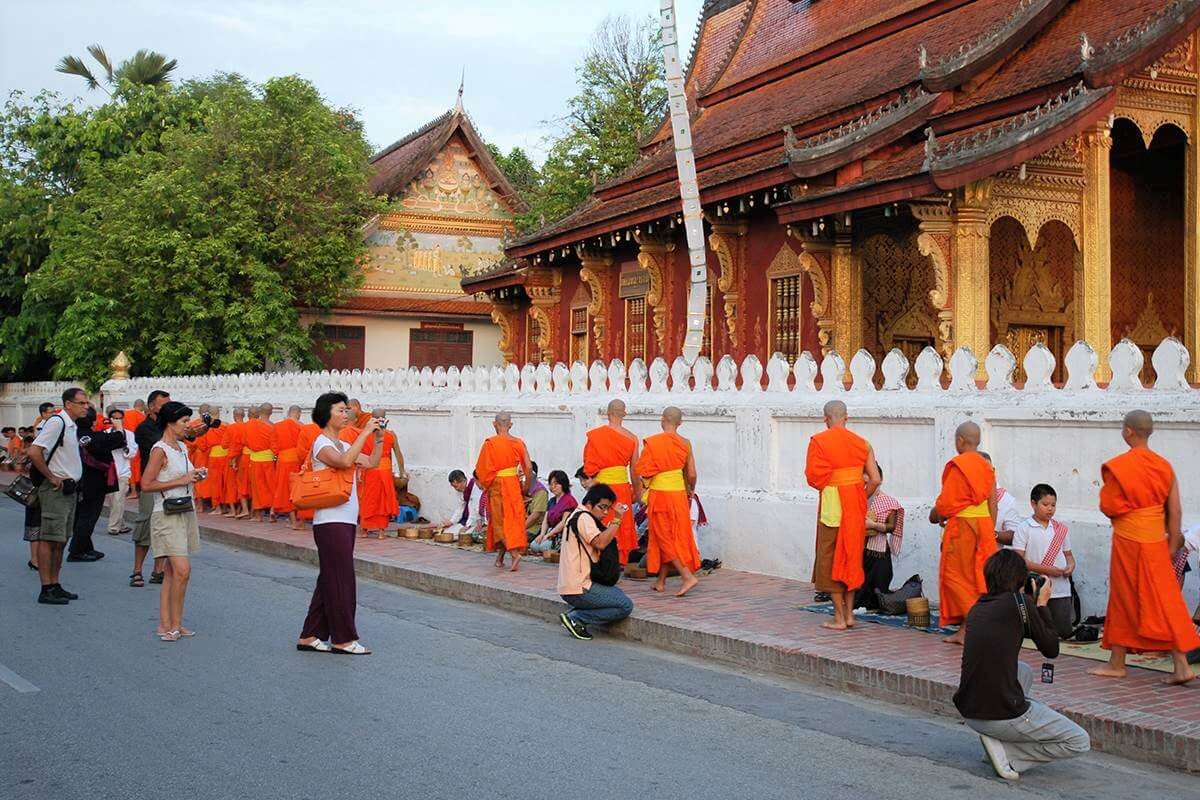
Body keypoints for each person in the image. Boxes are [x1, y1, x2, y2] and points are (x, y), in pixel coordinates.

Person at [954, 549, 1090, 781]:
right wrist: (1043, 605)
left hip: (970, 709)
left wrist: (1031, 603)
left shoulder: (979, 606)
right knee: (1078, 741)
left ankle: (1000, 739)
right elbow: (1051, 649)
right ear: (1020, 578)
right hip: (997, 714)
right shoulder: (1020, 604)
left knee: (1023, 670)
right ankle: (1010, 755)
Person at [1088, 410, 1199, 685]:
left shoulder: (1121, 466)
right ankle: (1181, 665)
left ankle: (1117, 663)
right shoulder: (1164, 466)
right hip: (1156, 541)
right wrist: (1173, 544)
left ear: (1128, 432)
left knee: (1123, 598)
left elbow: (1108, 506)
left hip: (1129, 540)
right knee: (1167, 601)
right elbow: (1174, 510)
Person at [297, 391, 382, 656]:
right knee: (341, 580)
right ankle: (343, 639)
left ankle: (310, 635)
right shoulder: (321, 443)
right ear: (326, 414)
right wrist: (365, 433)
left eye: (347, 410)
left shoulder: (344, 444)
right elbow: (344, 462)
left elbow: (371, 462)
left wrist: (378, 439)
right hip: (330, 520)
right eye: (341, 410)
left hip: (345, 519)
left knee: (329, 579)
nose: (346, 415)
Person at [805, 400, 880, 629]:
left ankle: (839, 618)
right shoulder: (863, 444)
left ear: (825, 418)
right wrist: (859, 496)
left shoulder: (819, 441)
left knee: (830, 561)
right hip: (854, 509)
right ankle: (850, 617)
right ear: (846, 417)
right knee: (851, 559)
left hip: (832, 509)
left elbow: (813, 478)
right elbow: (875, 479)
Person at [141, 401, 203, 641]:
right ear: (170, 422)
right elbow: (147, 484)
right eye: (184, 421)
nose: (188, 425)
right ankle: (172, 624)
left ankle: (169, 624)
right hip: (166, 513)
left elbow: (183, 475)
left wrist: (194, 476)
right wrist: (183, 480)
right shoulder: (160, 449)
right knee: (182, 570)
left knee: (171, 571)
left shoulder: (180, 447)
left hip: (185, 509)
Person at [930, 422, 997, 645]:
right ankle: (965, 630)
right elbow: (992, 501)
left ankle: (973, 625)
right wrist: (990, 530)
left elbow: (947, 504)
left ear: (959, 440)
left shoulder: (958, 465)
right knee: (976, 578)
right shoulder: (987, 466)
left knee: (954, 577)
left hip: (964, 528)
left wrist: (938, 514)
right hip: (984, 525)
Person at [27, 387, 89, 605]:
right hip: (56, 490)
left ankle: (55, 583)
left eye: (86, 403)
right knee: (50, 538)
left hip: (70, 489)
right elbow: (34, 452)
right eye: (82, 403)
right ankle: (46, 587)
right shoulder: (57, 423)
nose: (86, 407)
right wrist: (51, 477)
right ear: (69, 404)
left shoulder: (72, 426)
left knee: (61, 539)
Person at [635, 406, 701, 596]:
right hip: (679, 494)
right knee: (670, 535)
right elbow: (691, 473)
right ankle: (661, 581)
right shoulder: (685, 443)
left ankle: (687, 576)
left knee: (663, 537)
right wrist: (691, 491)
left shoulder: (654, 443)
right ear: (680, 423)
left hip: (661, 495)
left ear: (662, 419)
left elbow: (644, 471)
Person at [557, 483, 634, 641]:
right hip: (579, 587)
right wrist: (617, 520)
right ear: (589, 504)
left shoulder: (577, 514)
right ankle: (577, 618)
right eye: (602, 507)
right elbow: (600, 542)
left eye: (608, 508)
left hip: (571, 585)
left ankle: (575, 615)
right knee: (625, 605)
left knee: (617, 594)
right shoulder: (584, 518)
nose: (605, 513)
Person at [1012, 485, 1076, 639]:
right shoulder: (1024, 528)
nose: (1050, 509)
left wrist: (1070, 566)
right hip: (1035, 588)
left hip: (1060, 588)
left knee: (1062, 632)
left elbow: (1069, 555)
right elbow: (1019, 560)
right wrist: (1048, 571)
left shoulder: (1060, 529)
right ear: (1033, 504)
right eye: (1045, 505)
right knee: (1034, 630)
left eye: (1053, 505)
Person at [583, 399, 640, 564]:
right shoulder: (632, 438)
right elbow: (635, 471)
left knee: (601, 521)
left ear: (608, 413)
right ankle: (619, 561)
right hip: (621, 488)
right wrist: (638, 493)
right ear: (624, 413)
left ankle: (598, 558)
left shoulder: (595, 436)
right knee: (620, 523)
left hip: (601, 489)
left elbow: (589, 467)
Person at [474, 412, 533, 571]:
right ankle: (500, 558)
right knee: (512, 519)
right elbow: (528, 467)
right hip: (513, 484)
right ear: (511, 425)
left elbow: (482, 470)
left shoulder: (490, 443)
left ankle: (514, 554)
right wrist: (526, 487)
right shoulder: (518, 442)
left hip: (498, 486)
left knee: (500, 522)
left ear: (495, 424)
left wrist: (486, 483)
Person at [67, 406, 126, 562]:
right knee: (88, 516)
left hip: (83, 480)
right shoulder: (85, 435)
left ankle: (86, 547)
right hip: (91, 482)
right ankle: (76, 551)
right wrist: (119, 430)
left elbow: (100, 439)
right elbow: (110, 442)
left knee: (83, 515)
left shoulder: (76, 432)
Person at [133, 391, 173, 586]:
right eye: (162, 405)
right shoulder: (144, 429)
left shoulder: (170, 427)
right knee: (145, 524)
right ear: (151, 407)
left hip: (170, 483)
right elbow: (162, 446)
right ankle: (137, 570)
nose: (166, 408)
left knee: (165, 526)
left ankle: (158, 570)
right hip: (151, 484)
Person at [855, 465, 905, 610]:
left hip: (879, 551)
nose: (867, 483)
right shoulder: (857, 500)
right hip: (860, 547)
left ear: (879, 480)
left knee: (879, 585)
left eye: (870, 479)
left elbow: (892, 527)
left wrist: (873, 525)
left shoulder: (889, 502)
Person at [358, 409, 401, 537]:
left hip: (370, 468)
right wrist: (402, 471)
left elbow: (360, 454)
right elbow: (398, 454)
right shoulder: (390, 435)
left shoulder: (364, 435)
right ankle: (381, 531)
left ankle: (365, 530)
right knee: (383, 500)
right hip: (385, 470)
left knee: (368, 499)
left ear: (371, 418)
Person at [105, 408, 138, 535]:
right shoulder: (106, 433)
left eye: (120, 418)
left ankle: (113, 527)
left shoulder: (129, 435)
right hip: (109, 472)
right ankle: (122, 524)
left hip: (123, 472)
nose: (117, 421)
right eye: (115, 418)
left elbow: (132, 453)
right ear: (110, 420)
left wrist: (123, 443)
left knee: (119, 500)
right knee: (113, 501)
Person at [271, 405, 304, 528]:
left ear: (288, 413)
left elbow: (274, 447)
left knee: (286, 490)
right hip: (298, 460)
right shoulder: (301, 426)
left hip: (284, 460)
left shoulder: (277, 426)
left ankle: (293, 521)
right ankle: (300, 521)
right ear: (299, 414)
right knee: (298, 490)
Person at [531, 469, 578, 554]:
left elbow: (564, 522)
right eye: (551, 484)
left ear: (563, 484)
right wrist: (542, 534)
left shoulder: (569, 501)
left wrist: (549, 535)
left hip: (562, 534)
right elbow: (545, 520)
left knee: (543, 547)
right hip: (551, 532)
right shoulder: (552, 501)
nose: (553, 487)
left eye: (556, 484)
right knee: (534, 545)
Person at [244, 403, 277, 521]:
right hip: (269, 459)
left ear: (259, 412)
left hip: (255, 459)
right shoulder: (273, 426)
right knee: (271, 486)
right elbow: (275, 444)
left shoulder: (250, 425)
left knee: (257, 487)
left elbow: (246, 441)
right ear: (271, 412)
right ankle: (273, 509)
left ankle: (258, 515)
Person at [980, 452, 1022, 546]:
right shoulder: (962, 494)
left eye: (986, 469)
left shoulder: (1006, 500)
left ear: (993, 470)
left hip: (990, 558)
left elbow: (1016, 536)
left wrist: (993, 535)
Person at [444, 469, 485, 541]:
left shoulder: (475, 486)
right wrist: (451, 521)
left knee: (466, 535)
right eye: (453, 487)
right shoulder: (459, 491)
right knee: (447, 533)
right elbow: (460, 508)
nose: (456, 489)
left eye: (456, 486)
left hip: (478, 520)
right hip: (467, 519)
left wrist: (468, 526)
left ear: (463, 481)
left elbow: (475, 507)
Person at [123, 400, 147, 499]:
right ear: (142, 407)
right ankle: (139, 490)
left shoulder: (125, 414)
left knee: (131, 467)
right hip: (138, 444)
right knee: (138, 467)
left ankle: (133, 491)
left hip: (126, 443)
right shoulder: (142, 417)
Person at [524, 461, 549, 544]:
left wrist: (519, 530)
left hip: (534, 529)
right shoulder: (525, 488)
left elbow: (536, 515)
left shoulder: (541, 492)